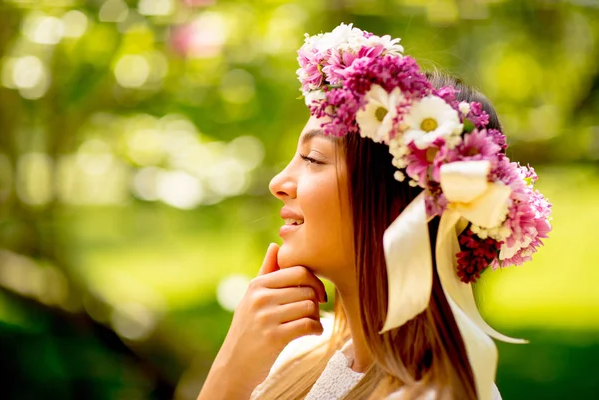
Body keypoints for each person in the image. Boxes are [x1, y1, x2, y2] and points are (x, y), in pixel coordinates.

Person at [197, 23, 552, 400]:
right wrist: (235, 362)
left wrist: (228, 378)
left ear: (396, 201)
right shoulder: (290, 353)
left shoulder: (433, 395)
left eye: (313, 158)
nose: (279, 182)